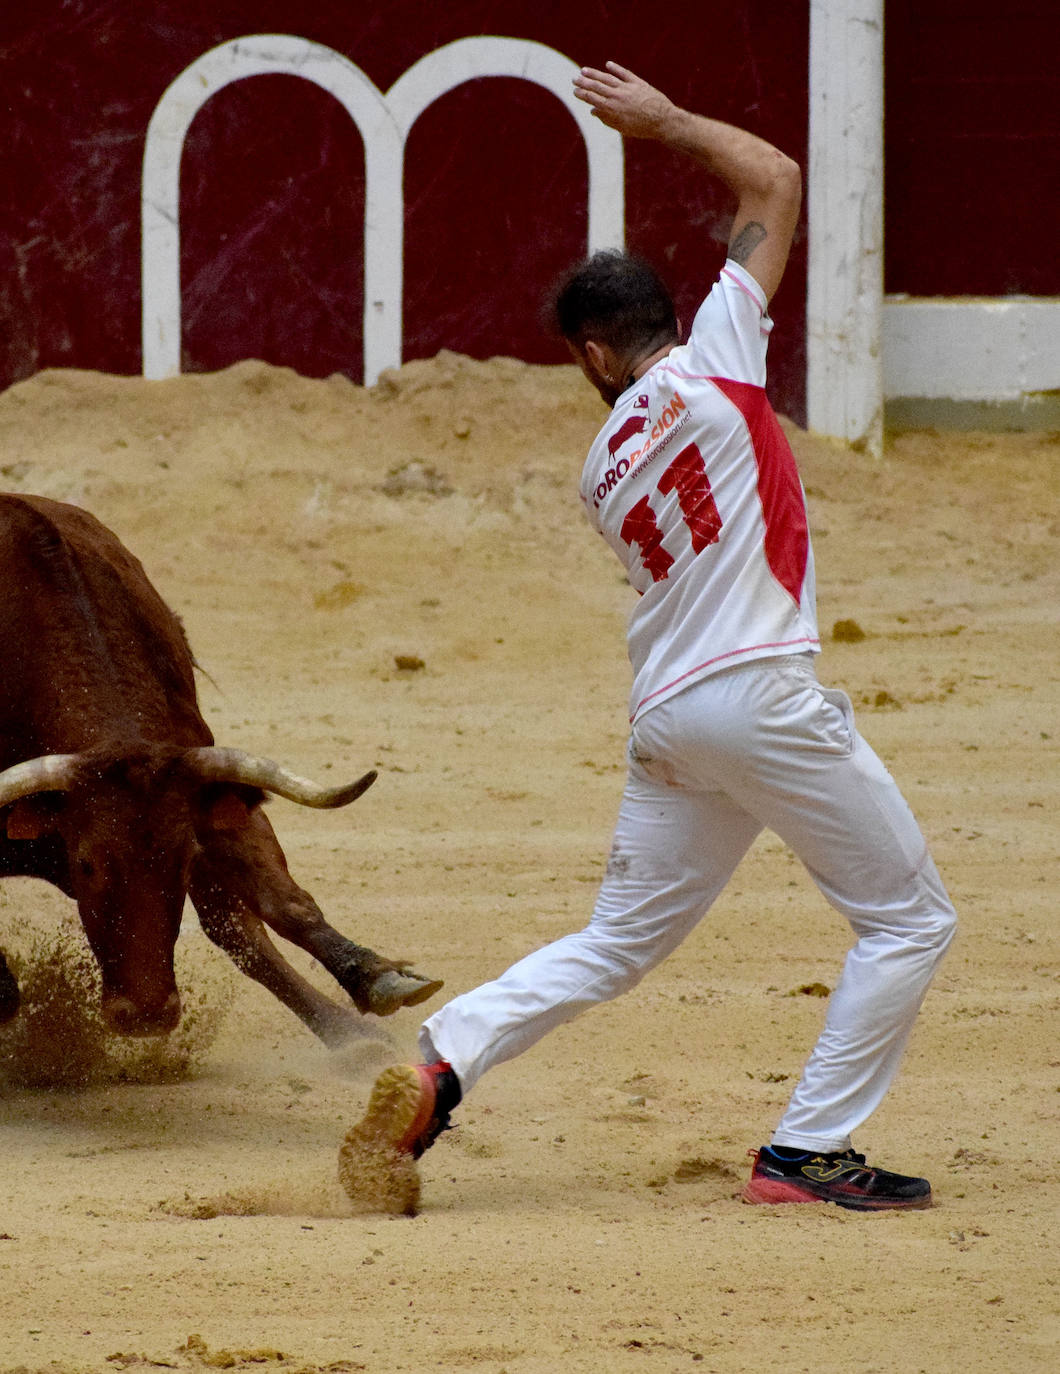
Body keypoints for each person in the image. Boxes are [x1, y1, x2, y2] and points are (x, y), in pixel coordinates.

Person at [338, 60, 957, 1216]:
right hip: (759, 695)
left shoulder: (597, 469)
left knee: (614, 943)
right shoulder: (719, 356)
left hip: (668, 720)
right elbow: (771, 176)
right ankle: (807, 1152)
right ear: (665, 321)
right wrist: (667, 122)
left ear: (587, 354)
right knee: (909, 917)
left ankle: (444, 1059)